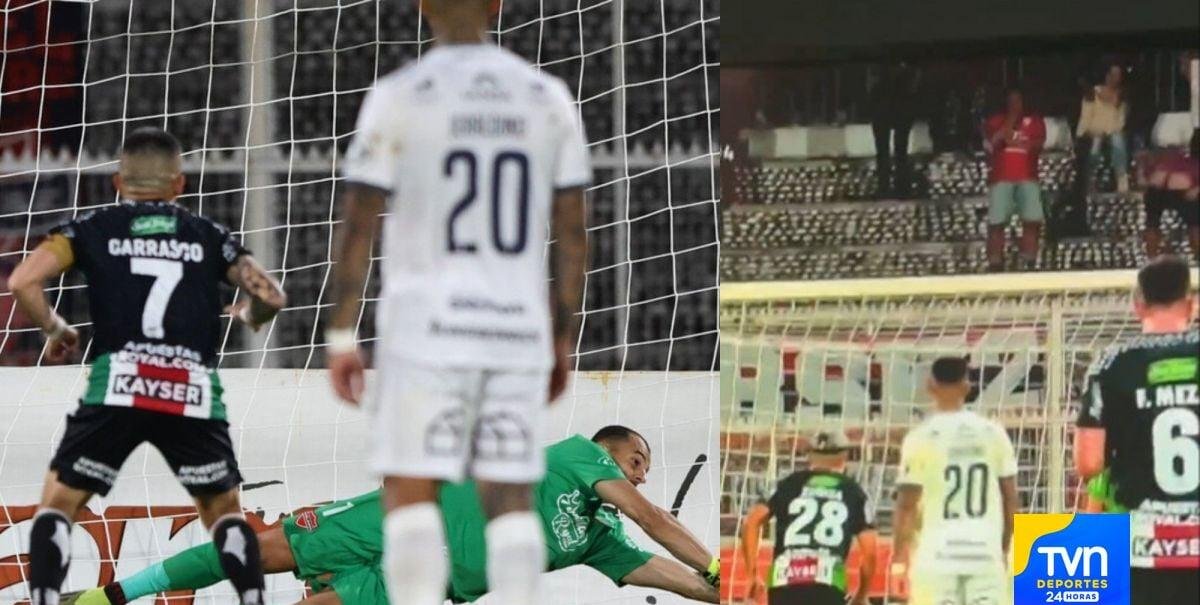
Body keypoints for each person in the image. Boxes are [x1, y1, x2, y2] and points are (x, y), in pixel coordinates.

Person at [321, 1, 591, 604]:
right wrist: (562, 336)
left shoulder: (400, 94)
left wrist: (342, 334)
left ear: (422, 6)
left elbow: (359, 224)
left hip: (426, 331)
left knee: (412, 493)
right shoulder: (546, 97)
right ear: (497, 4)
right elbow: (573, 233)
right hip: (514, 329)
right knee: (510, 498)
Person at [4, 127, 287, 605]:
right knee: (223, 514)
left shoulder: (91, 228)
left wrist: (56, 331)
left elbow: (22, 282)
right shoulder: (208, 235)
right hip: (190, 389)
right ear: (179, 184)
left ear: (118, 181)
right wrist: (251, 316)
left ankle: (47, 600)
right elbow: (271, 296)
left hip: (119, 384)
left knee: (59, 504)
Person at [62, 427, 720, 605]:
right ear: (609, 451)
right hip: (394, 519)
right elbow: (656, 519)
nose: (641, 471)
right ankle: (109, 594)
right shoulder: (576, 454)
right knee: (254, 552)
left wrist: (726, 589)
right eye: (637, 457)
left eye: (645, 464)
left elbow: (664, 572)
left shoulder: (596, 541)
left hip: (420, 583)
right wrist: (714, 560)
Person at [1073, 256, 1199, 605]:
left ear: (1138, 305)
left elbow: (1089, 464)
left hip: (1142, 545)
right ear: (1191, 304)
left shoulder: (1112, 364)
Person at [892, 357, 1019, 605]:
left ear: (930, 386)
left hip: (936, 557)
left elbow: (906, 504)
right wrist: (1003, 549)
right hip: (985, 554)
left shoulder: (920, 438)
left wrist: (899, 556)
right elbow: (1011, 499)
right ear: (967, 386)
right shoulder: (993, 433)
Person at [739, 430, 878, 605]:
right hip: (828, 582)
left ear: (810, 456)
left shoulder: (789, 484)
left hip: (784, 582)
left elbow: (751, 522)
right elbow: (870, 551)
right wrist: (861, 594)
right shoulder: (854, 492)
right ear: (845, 456)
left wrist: (752, 574)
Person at [982, 86, 1047, 271]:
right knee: (997, 222)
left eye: (1018, 101)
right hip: (1001, 178)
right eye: (1011, 101)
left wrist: (1016, 141)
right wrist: (1009, 123)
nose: (1015, 105)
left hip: (1028, 177)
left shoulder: (1035, 122)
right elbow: (994, 142)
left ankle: (1030, 261)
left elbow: (1037, 144)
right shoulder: (995, 121)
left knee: (1031, 220)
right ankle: (995, 262)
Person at [1138, 128, 1200, 259]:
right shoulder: (1186, 161)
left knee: (1152, 223)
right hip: (1182, 190)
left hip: (1158, 189)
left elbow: (1145, 179)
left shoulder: (1173, 158)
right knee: (1195, 223)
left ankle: (1151, 258)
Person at [869, 61, 921, 199]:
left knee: (888, 150)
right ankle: (897, 186)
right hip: (896, 103)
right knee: (897, 149)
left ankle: (887, 186)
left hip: (889, 104)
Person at [1077, 62, 1131, 193]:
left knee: (1117, 139)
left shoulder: (1121, 98)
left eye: (1118, 75)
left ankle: (1122, 179)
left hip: (1112, 133)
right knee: (1096, 144)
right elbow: (1086, 118)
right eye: (1112, 74)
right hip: (1093, 132)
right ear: (1106, 76)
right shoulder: (1092, 94)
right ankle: (1091, 181)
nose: (1115, 78)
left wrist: (1109, 131)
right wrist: (1085, 133)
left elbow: (1120, 122)